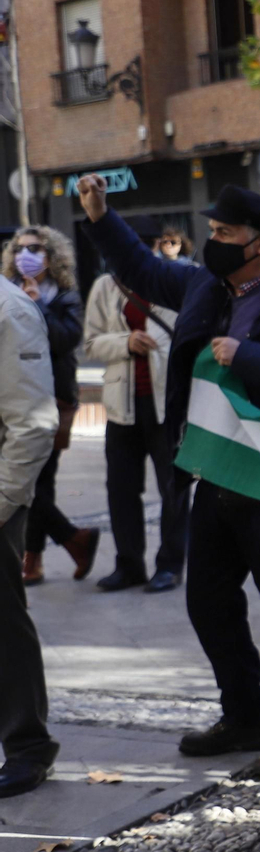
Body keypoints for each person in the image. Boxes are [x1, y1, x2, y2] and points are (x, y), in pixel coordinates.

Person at [80, 175, 260, 779]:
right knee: (207, 604)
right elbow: (145, 272)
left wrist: (247, 355)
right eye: (214, 230)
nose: (213, 241)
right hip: (216, 478)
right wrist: (100, 217)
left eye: (226, 233)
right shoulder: (208, 284)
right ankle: (243, 715)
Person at [82, 215, 191, 593]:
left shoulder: (174, 281)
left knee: (173, 488)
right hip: (121, 404)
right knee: (121, 489)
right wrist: (125, 343)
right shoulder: (104, 287)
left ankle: (170, 564)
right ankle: (129, 565)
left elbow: (194, 336)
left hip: (168, 403)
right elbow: (91, 343)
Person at [5, 227, 99, 586]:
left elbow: (66, 339)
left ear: (51, 256)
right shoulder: (6, 293)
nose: (25, 255)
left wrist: (37, 305)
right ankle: (48, 553)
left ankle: (59, 547)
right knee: (35, 483)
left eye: (34, 248)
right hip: (16, 396)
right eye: (19, 249)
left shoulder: (65, 297)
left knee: (36, 482)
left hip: (54, 399)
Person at [0, 274, 61, 798]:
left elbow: (33, 422)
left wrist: (2, 502)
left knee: (1, 618)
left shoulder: (9, 309)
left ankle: (27, 745)